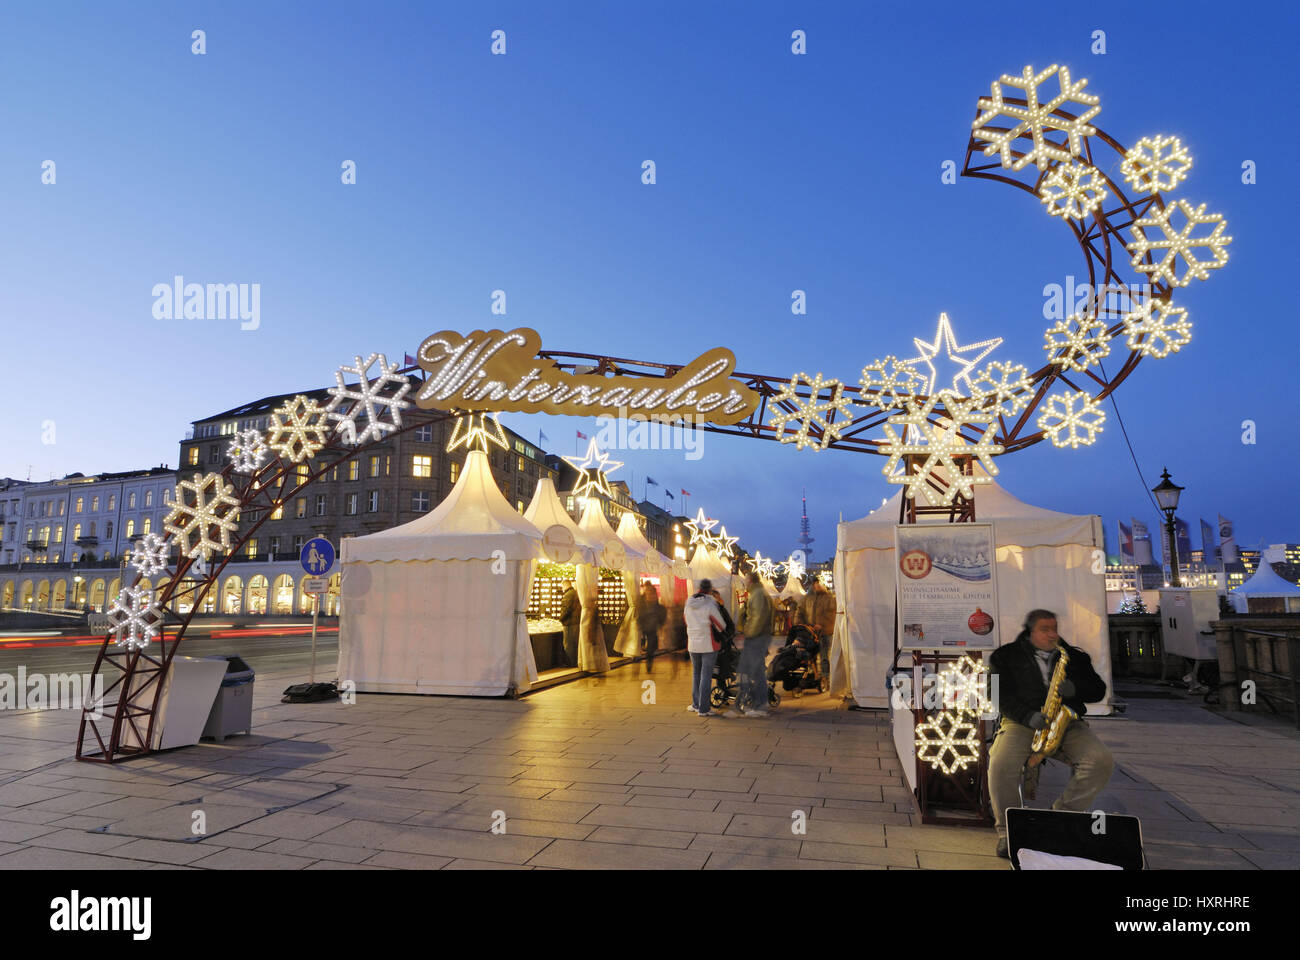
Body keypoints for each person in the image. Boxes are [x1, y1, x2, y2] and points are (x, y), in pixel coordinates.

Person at [988, 609, 1114, 859]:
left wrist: (1074, 689)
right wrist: (1027, 715)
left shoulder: (1074, 657)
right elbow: (995, 694)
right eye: (1045, 629)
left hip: (1067, 723)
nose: (1052, 634)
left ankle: (1058, 818)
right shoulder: (1004, 656)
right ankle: (1007, 832)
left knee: (1101, 761)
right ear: (1030, 631)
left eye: (1054, 628)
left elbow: (1098, 691)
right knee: (1001, 765)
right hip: (1022, 722)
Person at [684, 579, 725, 717]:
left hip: (692, 644)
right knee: (706, 676)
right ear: (710, 589)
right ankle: (704, 709)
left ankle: (695, 704)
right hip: (708, 644)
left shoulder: (689, 602)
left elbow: (685, 620)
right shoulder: (710, 603)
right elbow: (721, 625)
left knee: (696, 673)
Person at [738, 571, 774, 716]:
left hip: (757, 637)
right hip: (759, 636)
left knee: (756, 670)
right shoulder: (757, 593)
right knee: (756, 669)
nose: (744, 583)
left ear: (751, 581)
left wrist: (749, 634)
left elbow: (758, 617)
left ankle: (760, 704)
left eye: (746, 580)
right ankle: (759, 702)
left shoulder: (758, 594)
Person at [797, 579, 836, 683]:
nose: (818, 585)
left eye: (820, 583)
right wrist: (800, 624)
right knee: (810, 656)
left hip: (824, 632)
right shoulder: (807, 598)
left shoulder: (829, 598)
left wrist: (822, 625)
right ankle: (813, 675)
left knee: (824, 656)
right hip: (810, 632)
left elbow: (832, 614)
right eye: (816, 583)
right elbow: (800, 611)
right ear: (813, 584)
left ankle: (826, 677)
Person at [635, 581, 666, 673]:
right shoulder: (643, 603)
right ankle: (648, 662)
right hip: (646, 626)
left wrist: (660, 623)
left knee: (651, 646)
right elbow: (640, 614)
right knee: (650, 645)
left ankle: (649, 661)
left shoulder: (657, 606)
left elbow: (661, 614)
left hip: (652, 626)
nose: (650, 596)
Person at [558, 580, 581, 668]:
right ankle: (574, 661)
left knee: (568, 643)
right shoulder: (575, 593)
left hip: (569, 623)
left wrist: (560, 619)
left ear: (564, 585)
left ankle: (570, 663)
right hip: (576, 622)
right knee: (574, 643)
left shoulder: (568, 595)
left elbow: (566, 609)